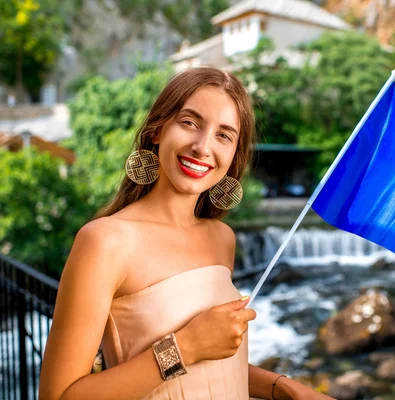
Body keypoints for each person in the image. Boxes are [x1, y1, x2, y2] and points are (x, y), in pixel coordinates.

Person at [39, 67, 335, 400]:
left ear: (234, 154)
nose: (202, 147)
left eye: (223, 135)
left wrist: (281, 386)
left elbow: (209, 367)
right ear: (157, 130)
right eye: (190, 123)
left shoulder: (221, 238)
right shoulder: (106, 241)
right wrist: (185, 346)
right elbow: (58, 395)